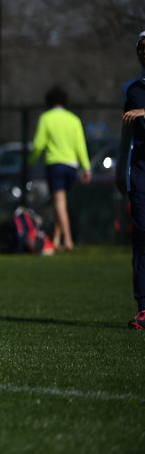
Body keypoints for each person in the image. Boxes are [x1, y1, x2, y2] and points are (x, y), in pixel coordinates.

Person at [29, 85, 91, 251]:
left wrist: (31, 160)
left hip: (55, 164)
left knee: (59, 203)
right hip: (72, 166)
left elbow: (39, 144)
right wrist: (86, 167)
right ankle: (56, 240)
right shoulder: (74, 119)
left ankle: (68, 240)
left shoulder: (46, 118)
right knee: (60, 203)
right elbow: (80, 145)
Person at [118, 30, 145, 330]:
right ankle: (143, 307)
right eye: (142, 47)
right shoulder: (131, 89)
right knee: (141, 236)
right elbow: (126, 137)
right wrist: (119, 170)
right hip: (141, 172)